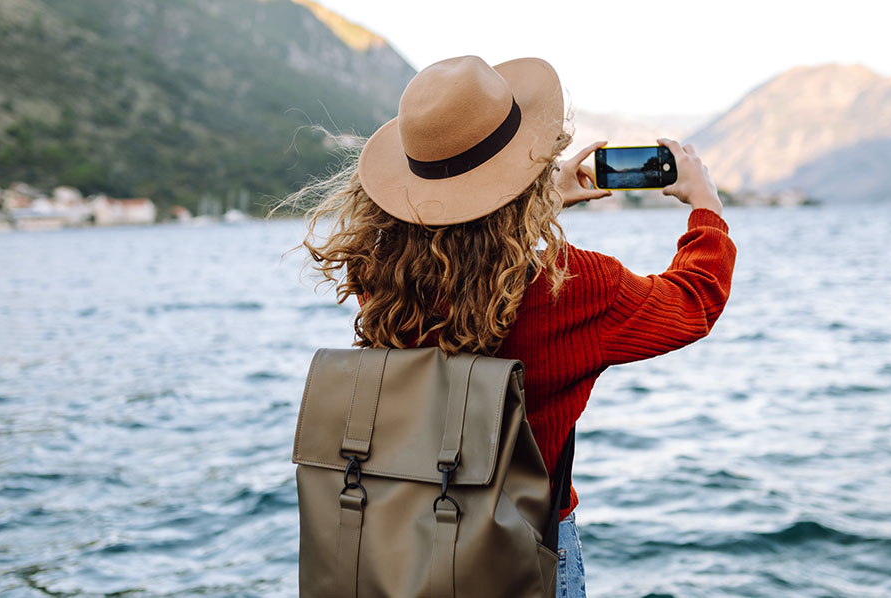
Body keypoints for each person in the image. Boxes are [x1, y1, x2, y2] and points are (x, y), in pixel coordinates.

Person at [291, 55, 736, 598]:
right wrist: (705, 204)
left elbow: (457, 239)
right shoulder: (570, 288)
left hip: (403, 547)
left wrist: (531, 199)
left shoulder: (379, 281)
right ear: (528, 171)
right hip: (523, 554)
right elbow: (695, 300)